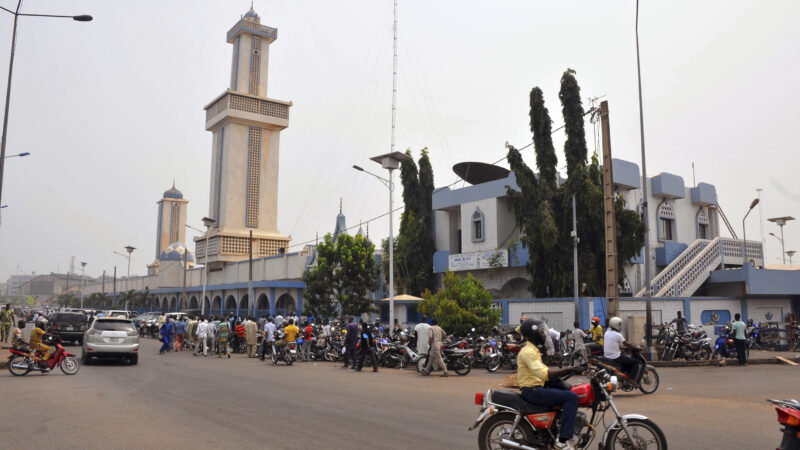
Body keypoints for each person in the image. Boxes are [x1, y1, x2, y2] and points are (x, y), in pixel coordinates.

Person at [517, 318, 581, 450]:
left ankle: (554, 428)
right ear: (533, 333)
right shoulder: (528, 352)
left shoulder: (533, 349)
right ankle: (563, 440)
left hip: (536, 387)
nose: (544, 334)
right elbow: (544, 374)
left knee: (568, 389)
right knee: (571, 397)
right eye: (542, 332)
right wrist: (570, 369)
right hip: (532, 391)